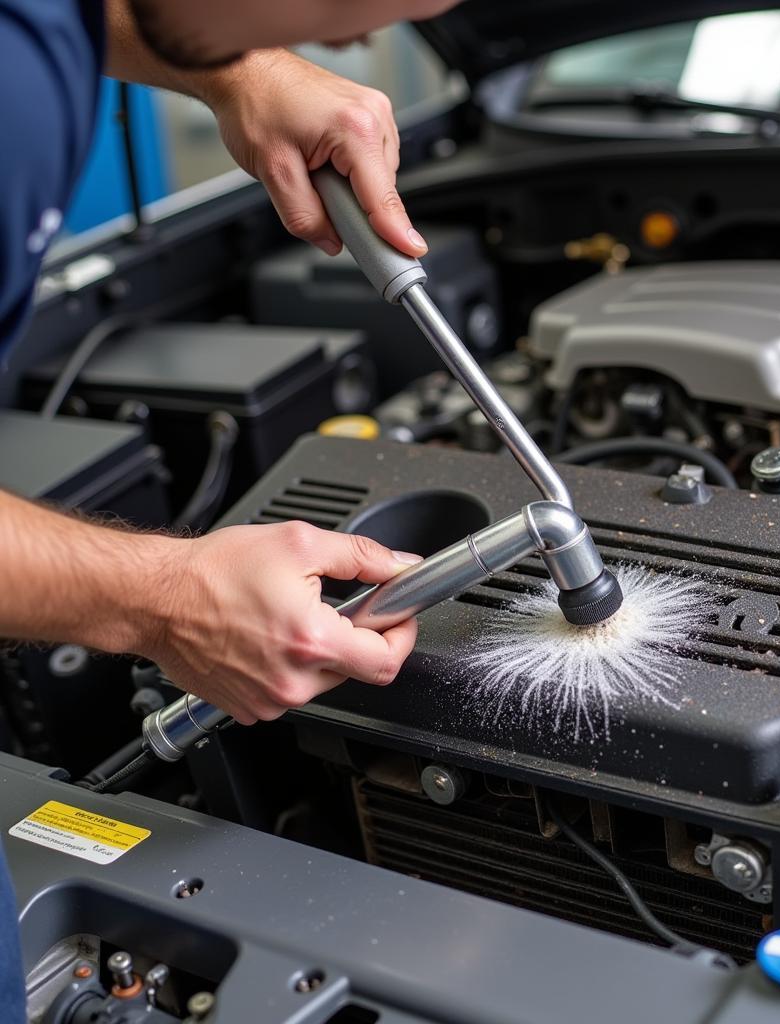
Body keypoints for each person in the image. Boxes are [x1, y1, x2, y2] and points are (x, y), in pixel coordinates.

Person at [0, 0, 459, 1016]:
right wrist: (158, 596)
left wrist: (238, 71)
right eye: (367, 4)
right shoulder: (15, 97)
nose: (349, 42)